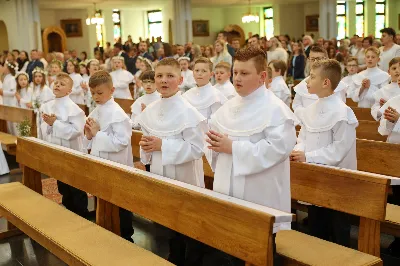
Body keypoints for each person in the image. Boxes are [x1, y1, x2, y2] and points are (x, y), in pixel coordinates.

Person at [206, 47, 297, 264]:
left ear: (262, 76)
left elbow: (277, 149)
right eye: (235, 72)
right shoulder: (226, 107)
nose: (237, 78)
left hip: (260, 194)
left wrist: (233, 148)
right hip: (227, 190)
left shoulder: (276, 110)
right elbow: (212, 143)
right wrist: (215, 145)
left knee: (260, 253)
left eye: (244, 73)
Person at [136, 58, 207, 265]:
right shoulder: (150, 110)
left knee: (187, 228)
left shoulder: (189, 112)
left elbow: (197, 148)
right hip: (159, 174)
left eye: (170, 76)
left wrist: (162, 146)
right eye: (159, 76)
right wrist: (147, 147)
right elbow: (147, 147)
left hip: (185, 178)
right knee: (166, 228)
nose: (163, 81)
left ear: (181, 79)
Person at [291, 59, 357, 248]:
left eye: (312, 77)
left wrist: (309, 157)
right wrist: (298, 151)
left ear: (326, 82)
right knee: (316, 227)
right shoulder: (311, 110)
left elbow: (340, 149)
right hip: (314, 177)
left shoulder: (343, 113)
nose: (307, 81)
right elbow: (303, 137)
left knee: (337, 229)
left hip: (337, 182)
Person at [84, 70, 134, 243]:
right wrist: (90, 136)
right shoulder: (96, 111)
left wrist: (97, 134)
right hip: (100, 162)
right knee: (102, 197)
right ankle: (106, 230)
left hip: (116, 164)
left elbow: (121, 142)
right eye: (92, 93)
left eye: (100, 93)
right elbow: (90, 137)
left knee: (120, 202)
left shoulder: (118, 114)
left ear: (112, 91)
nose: (96, 97)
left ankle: (126, 236)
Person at [40, 72, 89, 218]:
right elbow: (44, 127)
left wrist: (55, 123)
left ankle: (82, 215)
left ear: (69, 90)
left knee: (76, 186)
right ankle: (68, 213)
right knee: (62, 184)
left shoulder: (74, 109)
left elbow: (76, 131)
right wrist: (49, 125)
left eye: (62, 84)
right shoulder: (48, 106)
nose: (57, 85)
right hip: (56, 150)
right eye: (56, 83)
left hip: (71, 151)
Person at [292, 46, 347, 118]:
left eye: (318, 59)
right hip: (309, 124)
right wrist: (307, 116)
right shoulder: (302, 86)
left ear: (326, 60)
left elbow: (341, 106)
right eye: (312, 59)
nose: (315, 62)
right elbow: (296, 106)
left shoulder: (338, 84)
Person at [182, 57, 227, 122]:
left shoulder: (216, 97)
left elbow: (217, 122)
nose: (199, 74)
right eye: (197, 70)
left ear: (211, 74)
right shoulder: (187, 95)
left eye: (204, 71)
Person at [31, 67, 55, 139]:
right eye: (36, 76)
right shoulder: (35, 88)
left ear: (43, 78)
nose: (38, 78)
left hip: (44, 114)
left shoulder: (46, 89)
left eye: (40, 76)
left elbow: (50, 101)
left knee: (44, 132)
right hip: (37, 112)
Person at [0, 62, 18, 135]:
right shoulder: (6, 78)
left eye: (4, 66)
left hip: (11, 104)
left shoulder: (12, 78)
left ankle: (16, 140)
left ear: (8, 69)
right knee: (9, 125)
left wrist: (3, 92)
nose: (3, 68)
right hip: (6, 103)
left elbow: (14, 92)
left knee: (13, 125)